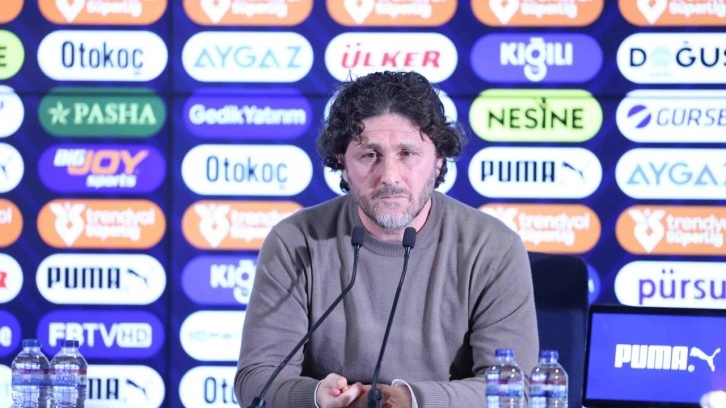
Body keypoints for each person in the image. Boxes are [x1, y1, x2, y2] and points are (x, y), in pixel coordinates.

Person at [234, 70, 538, 408]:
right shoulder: (295, 242)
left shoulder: (493, 248)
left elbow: (514, 389)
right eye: (370, 155)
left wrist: (414, 400)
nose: (389, 176)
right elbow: (256, 380)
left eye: (407, 153)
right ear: (343, 164)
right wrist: (315, 398)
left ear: (438, 161)